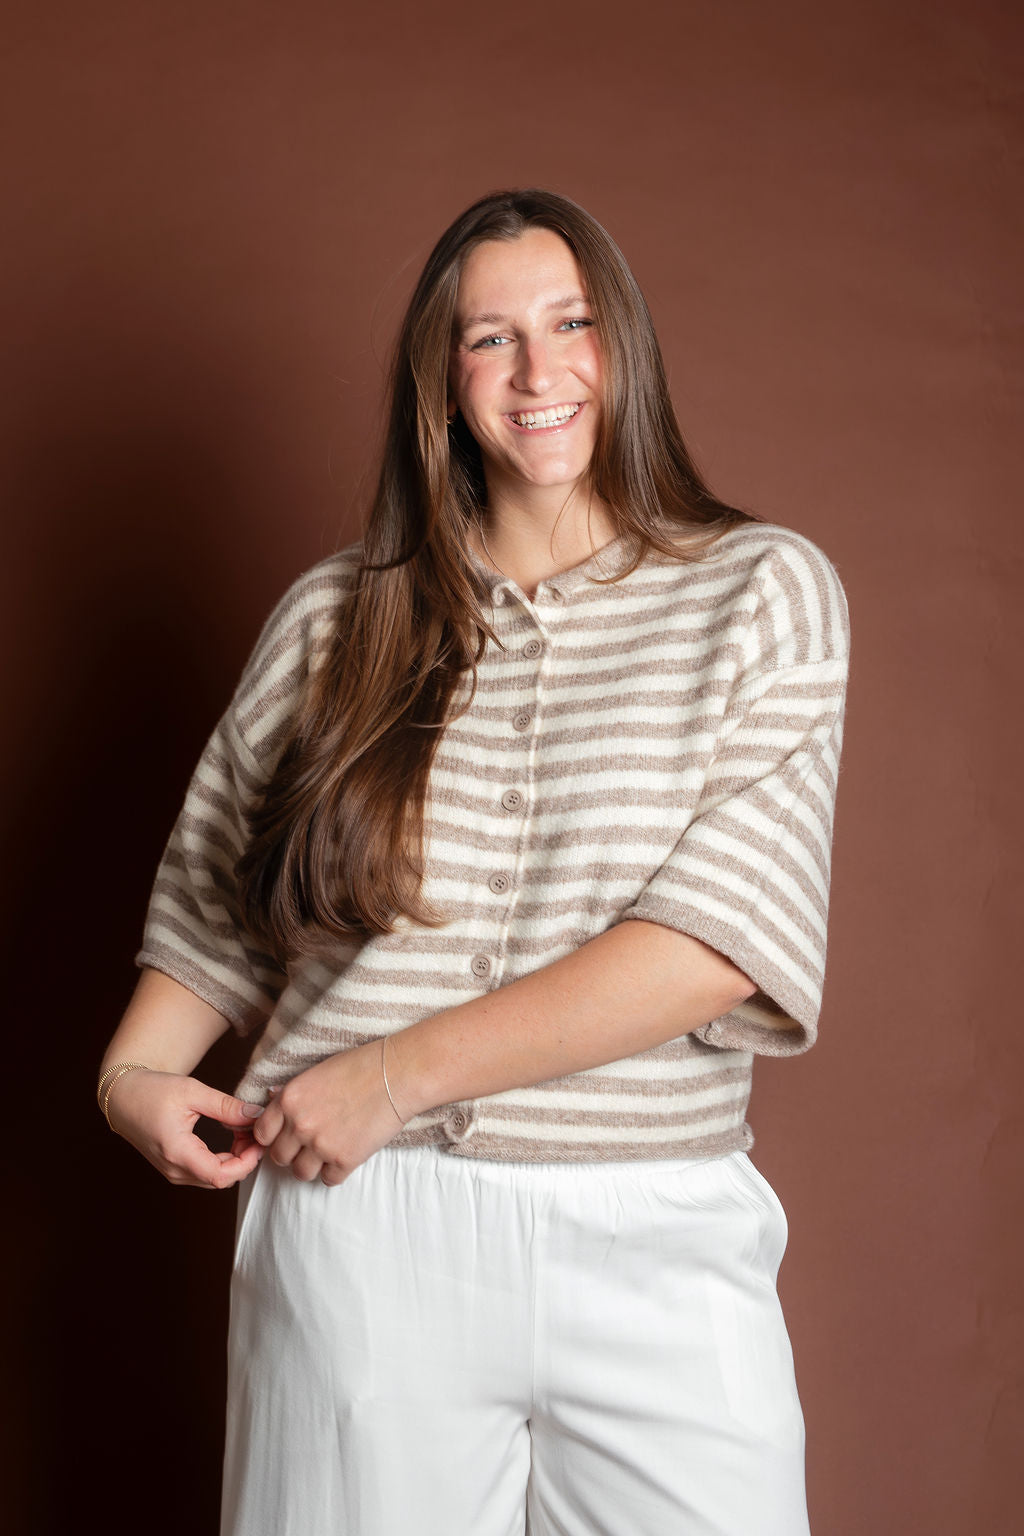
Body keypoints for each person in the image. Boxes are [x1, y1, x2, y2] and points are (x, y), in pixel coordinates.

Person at [98, 188, 850, 1536]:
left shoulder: (762, 593)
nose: (538, 371)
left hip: (653, 1224)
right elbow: (218, 902)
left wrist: (391, 1077)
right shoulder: (335, 620)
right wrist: (131, 1081)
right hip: (362, 1234)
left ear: (625, 347)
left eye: (571, 324)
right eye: (490, 338)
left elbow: (717, 944)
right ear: (441, 384)